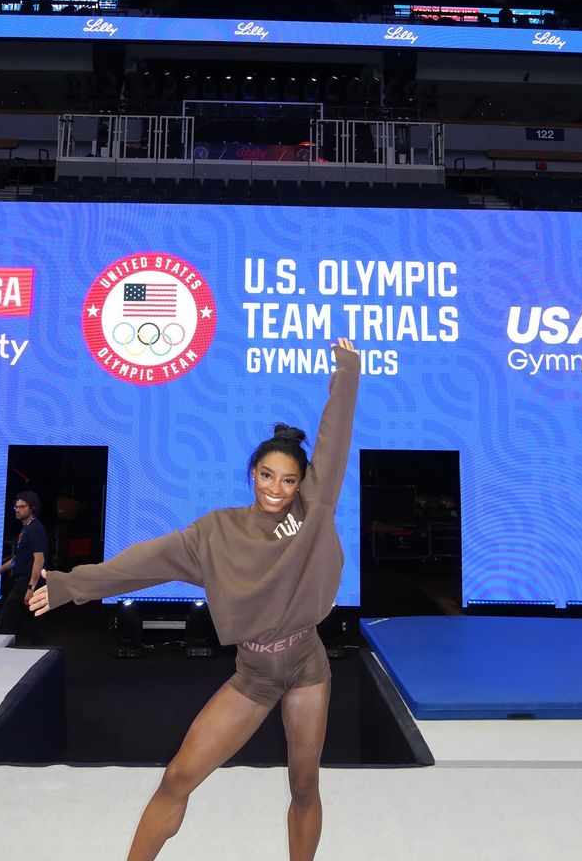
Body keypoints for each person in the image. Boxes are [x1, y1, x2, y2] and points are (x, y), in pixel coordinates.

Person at [29, 338, 360, 861]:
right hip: (254, 673)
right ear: (252, 474)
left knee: (303, 785)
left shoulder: (312, 512)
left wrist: (347, 371)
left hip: (307, 663)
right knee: (178, 776)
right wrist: (72, 585)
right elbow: (142, 563)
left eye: (288, 480)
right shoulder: (216, 534)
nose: (276, 488)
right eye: (266, 475)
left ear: (302, 485)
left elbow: (334, 438)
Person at [0, 490, 47, 644]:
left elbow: (39, 560)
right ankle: (38, 648)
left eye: (22, 507)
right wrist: (0, 570)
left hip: (28, 581)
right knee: (33, 622)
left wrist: (31, 588)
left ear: (32, 508)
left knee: (6, 620)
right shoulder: (26, 529)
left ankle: (1, 649)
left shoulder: (35, 530)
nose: (17, 510)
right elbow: (18, 558)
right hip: (24, 579)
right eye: (16, 507)